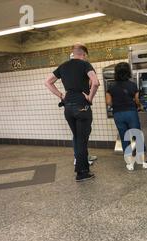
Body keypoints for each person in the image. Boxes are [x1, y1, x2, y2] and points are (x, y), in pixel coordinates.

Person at [45, 43, 100, 182]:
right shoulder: (85, 64)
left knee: (77, 137)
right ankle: (82, 173)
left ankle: (82, 167)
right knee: (82, 140)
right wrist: (89, 98)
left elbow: (47, 82)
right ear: (84, 54)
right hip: (81, 106)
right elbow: (96, 82)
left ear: (73, 53)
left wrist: (61, 95)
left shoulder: (63, 66)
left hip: (68, 106)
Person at [106, 62, 147, 171]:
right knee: (137, 136)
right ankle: (145, 162)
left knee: (124, 138)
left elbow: (108, 102)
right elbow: (137, 100)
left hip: (118, 114)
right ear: (128, 72)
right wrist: (140, 106)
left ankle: (130, 164)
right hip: (131, 113)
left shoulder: (111, 86)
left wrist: (117, 105)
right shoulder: (132, 85)